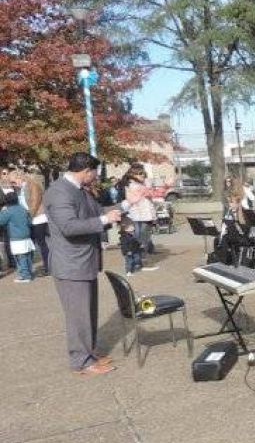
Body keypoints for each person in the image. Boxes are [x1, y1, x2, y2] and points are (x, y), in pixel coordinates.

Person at [44, 152, 122, 375]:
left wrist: (126, 205)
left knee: (88, 313)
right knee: (78, 316)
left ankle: (89, 352)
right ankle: (81, 361)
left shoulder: (80, 191)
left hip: (85, 262)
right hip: (70, 265)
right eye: (95, 172)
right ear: (86, 170)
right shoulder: (59, 192)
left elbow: (98, 214)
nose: (96, 176)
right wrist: (105, 220)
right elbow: (70, 227)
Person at [121, 165, 159, 272]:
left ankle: (138, 262)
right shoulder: (133, 185)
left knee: (142, 240)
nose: (143, 175)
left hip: (143, 216)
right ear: (133, 175)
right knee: (139, 240)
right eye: (140, 173)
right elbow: (151, 193)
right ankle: (137, 262)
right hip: (137, 215)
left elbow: (150, 196)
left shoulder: (138, 185)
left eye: (143, 173)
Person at [0, 192, 34, 282]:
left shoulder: (8, 211)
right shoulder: (22, 208)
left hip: (16, 237)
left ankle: (25, 275)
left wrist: (2, 211)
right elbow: (29, 221)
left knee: (20, 256)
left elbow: (1, 221)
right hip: (27, 234)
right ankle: (29, 272)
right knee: (27, 255)